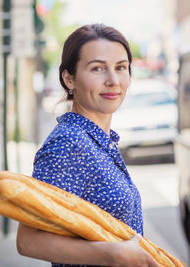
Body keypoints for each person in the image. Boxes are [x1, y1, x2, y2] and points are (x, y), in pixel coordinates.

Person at [16, 24, 159, 267]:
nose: (113, 80)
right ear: (69, 78)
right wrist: (113, 255)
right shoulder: (67, 145)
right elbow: (29, 240)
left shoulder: (98, 140)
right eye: (98, 68)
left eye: (121, 68)